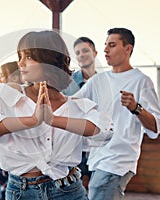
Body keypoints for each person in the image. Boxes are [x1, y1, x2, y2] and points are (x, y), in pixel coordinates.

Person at [0, 30, 113, 200]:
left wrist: (54, 120)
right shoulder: (8, 96)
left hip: (69, 191)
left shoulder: (77, 105)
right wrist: (31, 121)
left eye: (29, 57)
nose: (21, 63)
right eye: (20, 56)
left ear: (49, 60)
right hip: (21, 193)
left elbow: (105, 133)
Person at [74, 28, 160, 200]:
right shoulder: (97, 80)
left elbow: (155, 126)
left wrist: (136, 108)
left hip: (119, 161)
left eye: (112, 45)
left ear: (128, 49)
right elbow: (71, 104)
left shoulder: (141, 81)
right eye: (105, 45)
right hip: (97, 157)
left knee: (98, 189)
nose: (106, 50)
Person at [63, 37, 98, 190]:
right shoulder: (67, 83)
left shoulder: (104, 82)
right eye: (77, 53)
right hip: (75, 144)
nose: (81, 55)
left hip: (98, 144)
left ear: (95, 53)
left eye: (85, 50)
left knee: (97, 188)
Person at [0, 61, 22, 200]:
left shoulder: (7, 101)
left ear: (13, 78)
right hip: (1, 163)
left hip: (8, 167)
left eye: (2, 75)